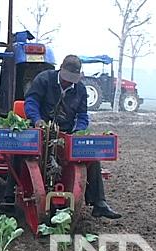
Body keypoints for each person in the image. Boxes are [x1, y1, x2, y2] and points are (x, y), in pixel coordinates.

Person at [23, 54, 121, 219]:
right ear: (61, 69)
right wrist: (37, 120)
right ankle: (9, 198)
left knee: (91, 155)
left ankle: (99, 203)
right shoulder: (44, 79)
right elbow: (31, 101)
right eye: (67, 78)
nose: (69, 82)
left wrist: (78, 132)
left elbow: (82, 116)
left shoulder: (80, 89)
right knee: (21, 151)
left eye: (72, 79)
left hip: (66, 133)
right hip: (40, 128)